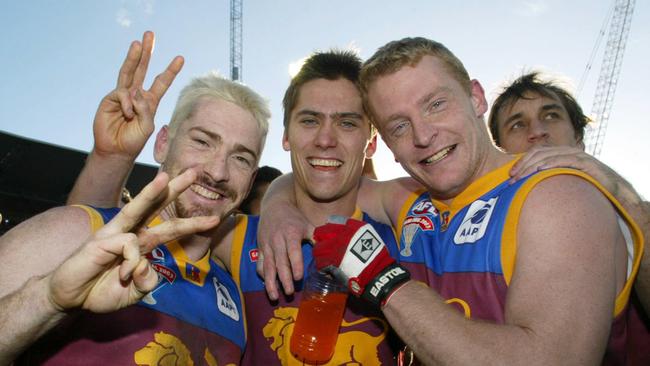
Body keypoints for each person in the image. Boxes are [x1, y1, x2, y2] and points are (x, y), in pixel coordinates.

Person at [257, 37, 644, 365]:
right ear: (387, 145)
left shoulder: (556, 196)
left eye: (435, 105)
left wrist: (385, 283)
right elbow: (324, 176)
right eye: (400, 125)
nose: (423, 135)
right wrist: (276, 210)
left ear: (476, 98)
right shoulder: (411, 201)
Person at [75, 48, 402, 365]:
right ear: (286, 136)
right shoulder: (235, 238)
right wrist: (111, 158)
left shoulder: (407, 237)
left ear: (371, 142)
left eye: (347, 123)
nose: (326, 139)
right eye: (309, 120)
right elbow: (86, 238)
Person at [0, 31, 270, 365]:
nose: (217, 172)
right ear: (162, 144)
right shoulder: (77, 231)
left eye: (241, 158)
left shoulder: (234, 296)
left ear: (252, 180)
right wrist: (48, 300)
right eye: (202, 141)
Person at [487, 71, 650, 364]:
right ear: (500, 151)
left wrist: (627, 199)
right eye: (517, 124)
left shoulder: (634, 213)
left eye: (551, 116)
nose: (537, 131)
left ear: (578, 138)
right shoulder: (481, 228)